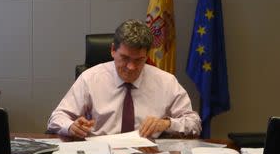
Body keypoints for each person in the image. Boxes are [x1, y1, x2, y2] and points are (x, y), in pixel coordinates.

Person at [47, 19, 201, 138]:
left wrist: (167, 124)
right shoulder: (90, 78)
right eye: (125, 58)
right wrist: (71, 126)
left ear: (147, 55)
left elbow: (194, 123)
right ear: (113, 50)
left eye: (139, 60)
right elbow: (57, 118)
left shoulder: (166, 82)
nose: (131, 67)